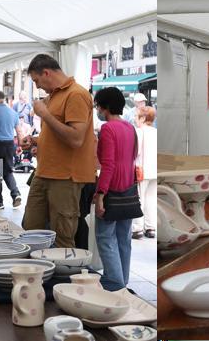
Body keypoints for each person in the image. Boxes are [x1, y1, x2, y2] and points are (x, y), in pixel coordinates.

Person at [23, 54, 97, 248]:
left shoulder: (76, 94)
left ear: (46, 73)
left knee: (63, 235)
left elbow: (76, 138)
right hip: (44, 172)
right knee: (30, 229)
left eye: (37, 80)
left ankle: (64, 276)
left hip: (65, 176)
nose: (38, 86)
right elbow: (57, 134)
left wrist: (45, 115)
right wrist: (36, 140)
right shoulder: (55, 95)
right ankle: (36, 273)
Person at [92, 87, 141, 291]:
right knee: (124, 239)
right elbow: (132, 156)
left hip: (111, 188)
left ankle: (114, 282)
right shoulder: (130, 128)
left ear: (105, 107)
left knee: (105, 238)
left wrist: (100, 195)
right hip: (129, 189)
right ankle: (123, 282)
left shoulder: (108, 129)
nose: (97, 110)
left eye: (98, 106)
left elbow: (108, 164)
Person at [0, 91, 23, 208]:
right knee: (8, 171)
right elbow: (19, 131)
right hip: (9, 144)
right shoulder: (13, 112)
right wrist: (20, 145)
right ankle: (15, 193)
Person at [132, 106, 157, 239]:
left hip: (142, 170)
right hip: (154, 170)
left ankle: (137, 229)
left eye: (136, 116)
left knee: (139, 199)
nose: (135, 119)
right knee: (151, 199)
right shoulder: (156, 132)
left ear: (142, 118)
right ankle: (151, 227)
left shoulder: (139, 131)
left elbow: (137, 152)